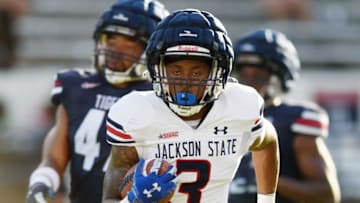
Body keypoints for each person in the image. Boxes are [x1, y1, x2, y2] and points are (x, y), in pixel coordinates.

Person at [103, 9, 280, 203]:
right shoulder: (135, 113)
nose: (185, 83)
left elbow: (268, 141)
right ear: (156, 69)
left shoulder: (241, 105)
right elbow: (110, 198)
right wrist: (136, 199)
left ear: (219, 72)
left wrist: (266, 200)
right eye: (176, 72)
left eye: (197, 73)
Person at [25, 0, 169, 202]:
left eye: (130, 44)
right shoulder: (75, 86)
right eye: (111, 41)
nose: (115, 51)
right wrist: (42, 182)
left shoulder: (159, 96)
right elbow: (54, 159)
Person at [228, 28, 341, 203]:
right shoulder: (223, 116)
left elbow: (326, 193)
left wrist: (270, 179)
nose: (249, 82)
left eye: (258, 75)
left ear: (279, 77)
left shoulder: (294, 120)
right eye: (243, 75)